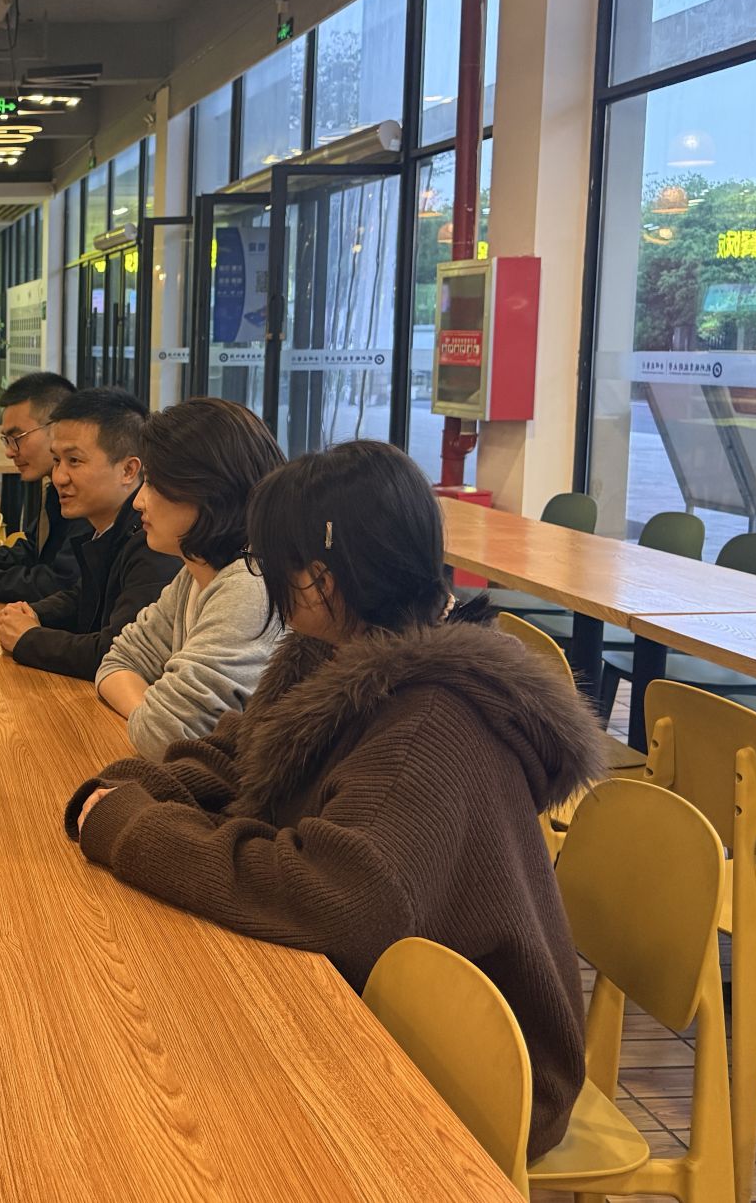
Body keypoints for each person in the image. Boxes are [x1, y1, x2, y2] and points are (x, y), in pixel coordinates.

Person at [65, 439, 607, 1157]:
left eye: (270, 561)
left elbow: (335, 898)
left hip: (475, 1073)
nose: (262, 576)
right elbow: (242, 756)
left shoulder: (429, 722)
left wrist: (136, 831)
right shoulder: (336, 651)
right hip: (376, 998)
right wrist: (136, 790)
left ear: (320, 580)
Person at [95, 398, 283, 759]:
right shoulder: (196, 573)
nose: (138, 501)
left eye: (154, 484)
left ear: (210, 492)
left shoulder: (249, 586)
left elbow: (165, 734)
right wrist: (149, 713)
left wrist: (153, 717)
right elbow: (117, 661)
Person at [0, 387, 179, 679]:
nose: (59, 477)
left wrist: (28, 638)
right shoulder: (108, 528)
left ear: (128, 470)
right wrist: (33, 612)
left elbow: (117, 651)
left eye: (74, 461)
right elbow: (83, 596)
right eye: (57, 460)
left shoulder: (154, 542)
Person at [0, 371, 83, 601]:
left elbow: (58, 583)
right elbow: (33, 551)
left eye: (17, 437)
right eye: (7, 440)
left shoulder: (89, 496)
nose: (9, 452)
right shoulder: (54, 488)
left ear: (57, 428)